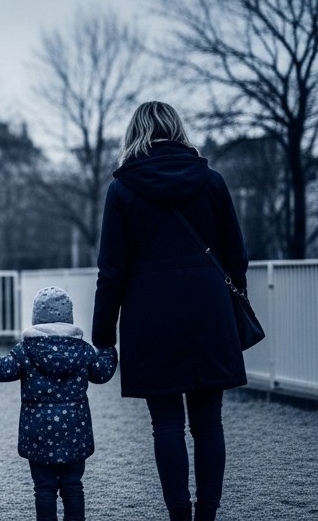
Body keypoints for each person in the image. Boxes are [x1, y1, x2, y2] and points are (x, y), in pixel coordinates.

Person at [91, 101, 249, 521]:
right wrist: (233, 311)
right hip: (208, 308)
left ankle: (178, 514)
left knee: (165, 423)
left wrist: (103, 338)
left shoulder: (123, 189)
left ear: (134, 133)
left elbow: (111, 271)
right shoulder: (211, 181)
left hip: (150, 313)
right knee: (208, 421)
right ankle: (207, 515)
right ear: (178, 129)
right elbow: (237, 256)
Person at [0, 287, 118, 521]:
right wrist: (108, 347)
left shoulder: (25, 351)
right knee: (73, 487)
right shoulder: (83, 351)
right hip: (75, 433)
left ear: (36, 318)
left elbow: (0, 370)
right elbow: (103, 373)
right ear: (69, 318)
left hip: (37, 434)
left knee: (44, 489)